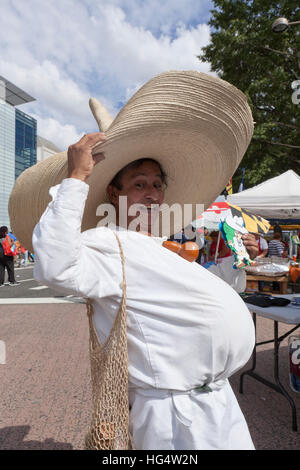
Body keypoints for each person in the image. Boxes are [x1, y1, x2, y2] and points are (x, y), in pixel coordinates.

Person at [32, 132, 257, 450]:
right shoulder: (107, 244)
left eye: (157, 185)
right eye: (140, 184)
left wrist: (237, 262)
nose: (153, 194)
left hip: (216, 401)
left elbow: (203, 298)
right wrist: (77, 176)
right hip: (177, 417)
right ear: (114, 193)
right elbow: (55, 266)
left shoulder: (161, 246)